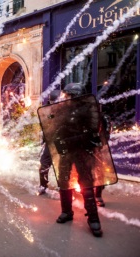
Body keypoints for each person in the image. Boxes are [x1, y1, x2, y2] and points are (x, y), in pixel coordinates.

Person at [54, 83, 103, 237]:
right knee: (63, 180)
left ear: (75, 95)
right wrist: (57, 139)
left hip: (83, 150)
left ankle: (93, 218)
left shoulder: (90, 108)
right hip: (67, 150)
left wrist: (73, 139)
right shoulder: (62, 108)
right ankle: (66, 211)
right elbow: (56, 127)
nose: (65, 97)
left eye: (68, 95)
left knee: (86, 183)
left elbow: (93, 131)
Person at [37, 90, 60, 196]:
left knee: (63, 165)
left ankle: (63, 185)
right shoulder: (46, 111)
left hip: (62, 141)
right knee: (44, 164)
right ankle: (43, 185)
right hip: (50, 141)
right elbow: (45, 123)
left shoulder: (66, 110)